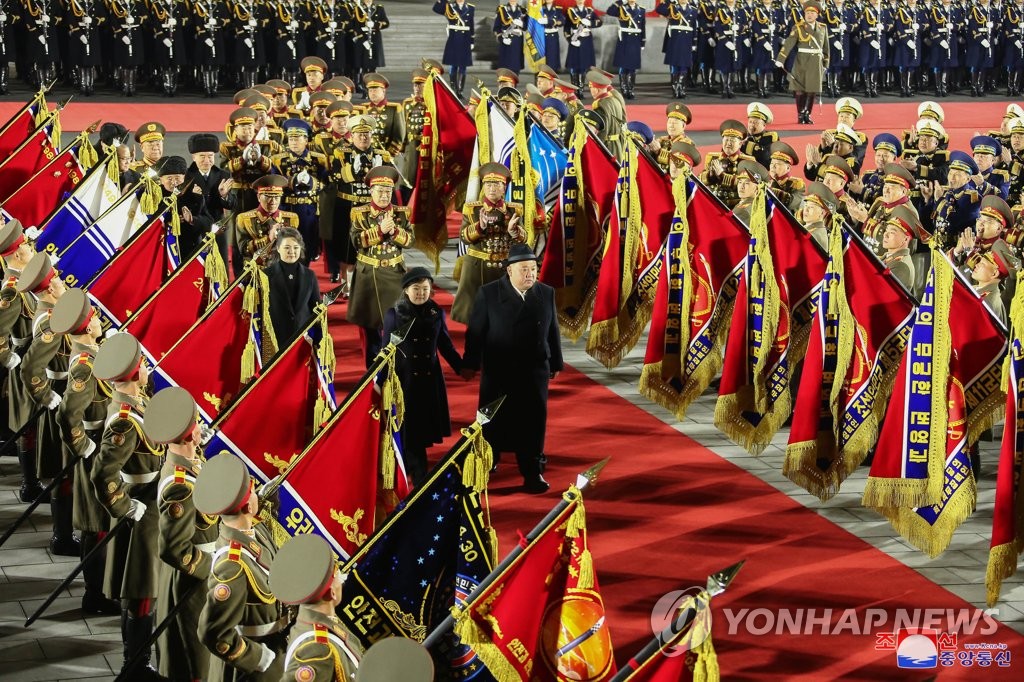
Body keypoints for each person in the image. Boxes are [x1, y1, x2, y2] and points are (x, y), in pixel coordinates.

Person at [88, 332, 163, 678]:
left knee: (137, 590)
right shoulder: (125, 419)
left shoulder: (137, 405)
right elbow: (103, 473)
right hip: (142, 512)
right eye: (144, 364)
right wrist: (125, 507)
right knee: (141, 592)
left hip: (147, 507)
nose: (148, 369)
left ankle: (136, 660)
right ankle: (135, 665)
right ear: (135, 372)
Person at [464, 244, 563, 494]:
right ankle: (487, 461)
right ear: (509, 271)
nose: (530, 274)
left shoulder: (545, 293)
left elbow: (553, 331)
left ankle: (532, 472)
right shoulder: (489, 294)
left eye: (533, 269)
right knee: (492, 420)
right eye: (524, 269)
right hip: (500, 370)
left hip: (534, 370)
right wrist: (471, 362)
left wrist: (556, 362)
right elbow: (476, 332)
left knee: (533, 421)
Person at [50, 289, 120, 616]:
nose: (98, 319)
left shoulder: (93, 355)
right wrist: (84, 446)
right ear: (86, 326)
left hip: (101, 448)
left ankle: (101, 590)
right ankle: (95, 595)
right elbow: (67, 415)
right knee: (96, 525)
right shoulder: (84, 367)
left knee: (102, 523)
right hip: (94, 452)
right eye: (93, 317)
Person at [196, 454, 286, 681]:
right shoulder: (232, 565)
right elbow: (212, 631)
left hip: (275, 648)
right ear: (248, 505)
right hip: (248, 669)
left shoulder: (255, 534)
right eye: (253, 492)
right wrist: (255, 658)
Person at [148, 387, 218, 681]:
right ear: (188, 435)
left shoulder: (188, 464)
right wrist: (210, 567)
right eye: (196, 424)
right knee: (194, 660)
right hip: (192, 582)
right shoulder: (180, 484)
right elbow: (174, 549)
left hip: (198, 572)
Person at [382, 267, 466, 486]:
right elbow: (386, 351)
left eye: (425, 289)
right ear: (406, 290)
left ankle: (413, 465)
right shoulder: (395, 314)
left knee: (420, 427)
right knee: (410, 426)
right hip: (405, 379)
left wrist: (461, 367)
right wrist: (380, 381)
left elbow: (445, 344)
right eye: (416, 289)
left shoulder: (436, 312)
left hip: (429, 380)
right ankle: (418, 474)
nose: (421, 293)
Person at [17, 254, 74, 555]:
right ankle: (62, 537)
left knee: (63, 471)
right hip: (59, 391)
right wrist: (48, 397)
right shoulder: (52, 321)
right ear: (50, 288)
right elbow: (30, 368)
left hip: (61, 389)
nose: (62, 282)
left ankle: (63, 534)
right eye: (58, 279)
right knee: (62, 471)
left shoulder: (52, 312)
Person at [271, 534, 364, 681]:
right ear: (332, 593)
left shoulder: (316, 625)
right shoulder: (317, 649)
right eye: (338, 575)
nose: (341, 581)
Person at [347, 166, 412, 366]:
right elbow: (356, 241)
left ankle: (396, 364)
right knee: (371, 327)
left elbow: (410, 241)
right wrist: (379, 230)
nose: (384, 196)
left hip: (394, 273)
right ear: (371, 191)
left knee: (397, 322)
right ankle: (372, 370)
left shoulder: (401, 213)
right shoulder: (359, 213)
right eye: (380, 191)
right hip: (369, 276)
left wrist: (394, 233)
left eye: (388, 191)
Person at [451, 163, 525, 323]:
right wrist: (480, 226)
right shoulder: (472, 210)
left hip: (504, 269)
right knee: (476, 317)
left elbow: (524, 238)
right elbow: (464, 237)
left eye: (496, 184)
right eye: (488, 184)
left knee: (505, 317)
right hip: (478, 268)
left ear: (504, 187)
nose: (492, 188)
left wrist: (514, 231)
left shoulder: (514, 210)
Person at [0, 220, 41, 503]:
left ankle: (34, 478)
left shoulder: (25, 281)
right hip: (24, 359)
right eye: (25, 245)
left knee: (36, 424)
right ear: (16, 254)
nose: (28, 248)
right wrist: (7, 356)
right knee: (28, 424)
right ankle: (29, 484)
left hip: (35, 357)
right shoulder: (12, 289)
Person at [272, 119, 329, 263]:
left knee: (307, 246)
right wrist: (292, 181)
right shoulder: (279, 160)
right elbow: (275, 184)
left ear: (306, 139)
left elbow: (327, 184)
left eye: (297, 138)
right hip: (288, 208)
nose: (293, 142)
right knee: (287, 244)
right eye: (291, 138)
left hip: (309, 209)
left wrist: (311, 182)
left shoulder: (319, 160)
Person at [185, 133, 236, 266]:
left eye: (210, 156)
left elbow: (232, 205)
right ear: (193, 157)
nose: (207, 160)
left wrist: (224, 195)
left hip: (217, 230)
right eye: (202, 156)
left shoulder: (223, 175)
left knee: (220, 269)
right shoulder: (185, 176)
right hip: (194, 231)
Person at [775, 1, 828, 124]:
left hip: (816, 62)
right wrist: (780, 59)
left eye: (812, 13)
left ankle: (807, 114)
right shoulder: (798, 27)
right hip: (802, 61)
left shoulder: (822, 27)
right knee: (799, 90)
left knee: (812, 90)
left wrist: (825, 63)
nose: (809, 15)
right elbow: (788, 43)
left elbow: (826, 48)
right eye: (807, 13)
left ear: (817, 15)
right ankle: (800, 114)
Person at [264, 227, 319, 345]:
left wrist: (318, 339)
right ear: (278, 248)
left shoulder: (310, 275)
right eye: (287, 248)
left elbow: (316, 310)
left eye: (296, 248)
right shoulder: (266, 275)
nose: (292, 252)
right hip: (275, 338)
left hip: (303, 338)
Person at [700, 119, 755, 209]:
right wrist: (710, 176)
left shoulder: (747, 161)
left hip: (736, 206)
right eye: (726, 139)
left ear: (740, 144)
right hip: (714, 202)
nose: (728, 143)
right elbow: (701, 179)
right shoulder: (713, 157)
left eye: (733, 140)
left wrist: (722, 175)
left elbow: (747, 185)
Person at [433, 0, 475, 99]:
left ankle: (460, 91)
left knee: (463, 66)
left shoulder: (470, 7)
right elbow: (436, 9)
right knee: (454, 65)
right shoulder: (449, 6)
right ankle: (453, 89)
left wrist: (472, 40)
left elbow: (471, 25)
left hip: (465, 39)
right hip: (454, 38)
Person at [658, 0, 698, 99]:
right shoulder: (672, 7)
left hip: (686, 40)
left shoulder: (693, 10)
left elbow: (694, 26)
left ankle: (682, 88)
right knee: (675, 64)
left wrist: (694, 43)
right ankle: (675, 89)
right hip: (675, 40)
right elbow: (660, 10)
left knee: (684, 65)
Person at [360, 72, 406, 158]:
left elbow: (399, 135)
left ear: (383, 91)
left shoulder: (394, 109)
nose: (372, 93)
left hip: (386, 153)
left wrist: (389, 154)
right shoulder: (363, 108)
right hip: (366, 154)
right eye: (370, 90)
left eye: (375, 90)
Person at [608, 0, 646, 99]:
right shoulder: (622, 8)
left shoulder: (641, 10)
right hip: (625, 39)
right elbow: (610, 11)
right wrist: (619, 2)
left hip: (635, 40)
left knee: (633, 66)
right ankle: (624, 89)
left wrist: (643, 41)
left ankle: (631, 89)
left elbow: (642, 26)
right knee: (623, 65)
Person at [564, 0, 602, 98]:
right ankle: (574, 89)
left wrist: (590, 22)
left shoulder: (589, 11)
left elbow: (599, 22)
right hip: (575, 39)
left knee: (584, 66)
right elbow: (567, 28)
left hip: (586, 41)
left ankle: (580, 90)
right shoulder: (571, 11)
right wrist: (570, 40)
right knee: (574, 65)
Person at [768, 141, 805, 213]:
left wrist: (769, 189)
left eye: (778, 164)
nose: (773, 166)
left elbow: (791, 203)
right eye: (772, 163)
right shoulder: (766, 181)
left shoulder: (796, 184)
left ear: (788, 168)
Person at [880, 218, 917, 290]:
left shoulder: (901, 265)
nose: (885, 235)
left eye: (892, 232)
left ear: (905, 239)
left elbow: (884, 293)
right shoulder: (888, 256)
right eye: (886, 230)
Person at [799, 181, 837, 249]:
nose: (806, 210)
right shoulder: (812, 229)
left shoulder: (815, 235)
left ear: (822, 213)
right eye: (806, 205)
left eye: (811, 207)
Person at [732, 160, 769, 226]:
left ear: (757, 188)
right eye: (740, 182)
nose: (741, 187)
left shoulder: (744, 210)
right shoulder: (751, 203)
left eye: (747, 183)